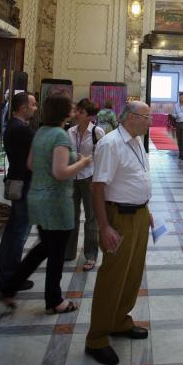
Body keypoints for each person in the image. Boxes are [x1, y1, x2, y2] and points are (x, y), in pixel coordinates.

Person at [0, 95, 92, 313]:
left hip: (37, 197)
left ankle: (9, 286)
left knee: (44, 248)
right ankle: (55, 300)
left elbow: (31, 163)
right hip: (55, 202)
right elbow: (60, 173)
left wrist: (65, 160)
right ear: (62, 111)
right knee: (55, 252)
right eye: (70, 107)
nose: (73, 109)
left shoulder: (41, 131)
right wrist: (81, 162)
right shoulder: (59, 135)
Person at [85, 102, 153, 365]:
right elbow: (98, 188)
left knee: (132, 273)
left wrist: (145, 209)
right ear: (132, 118)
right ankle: (97, 338)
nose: (151, 122)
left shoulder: (135, 141)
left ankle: (119, 321)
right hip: (118, 218)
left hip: (137, 214)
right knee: (113, 276)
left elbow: (136, 177)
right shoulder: (111, 144)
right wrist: (104, 227)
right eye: (147, 118)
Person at [0, 92, 38, 287]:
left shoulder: (13, 125)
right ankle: (11, 275)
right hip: (23, 182)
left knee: (13, 227)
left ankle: (3, 268)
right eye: (33, 105)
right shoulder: (21, 129)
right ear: (23, 108)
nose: (35, 108)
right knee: (20, 229)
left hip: (16, 179)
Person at [65, 98, 105, 270]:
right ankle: (69, 252)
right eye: (77, 111)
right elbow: (66, 152)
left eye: (81, 112)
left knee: (91, 218)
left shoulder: (97, 132)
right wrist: (75, 157)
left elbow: (103, 157)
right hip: (72, 177)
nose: (76, 114)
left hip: (90, 178)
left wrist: (96, 179)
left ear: (90, 116)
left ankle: (90, 255)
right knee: (71, 217)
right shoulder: (70, 131)